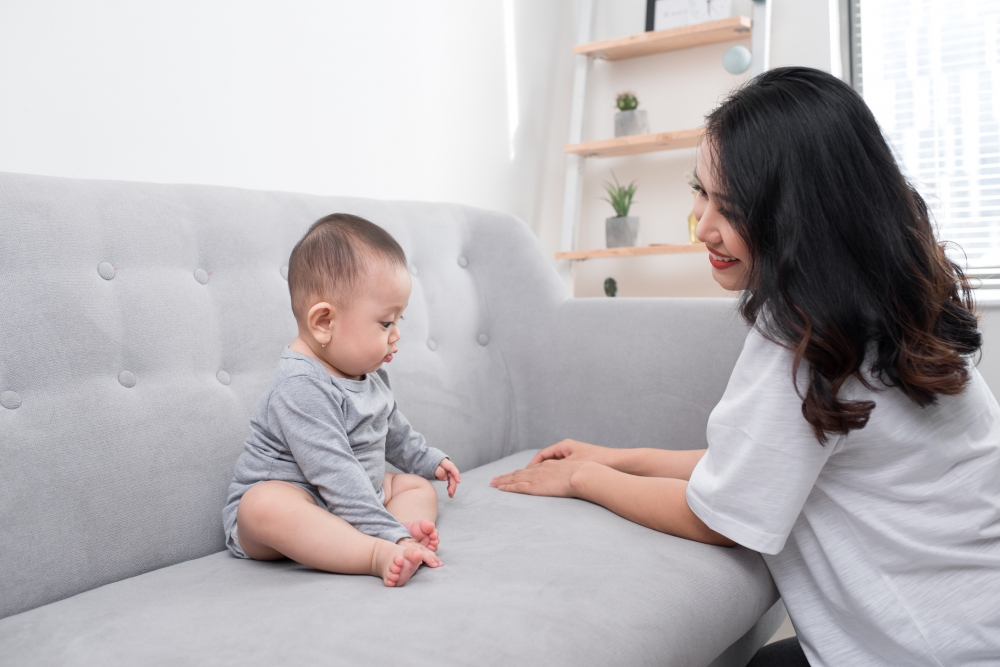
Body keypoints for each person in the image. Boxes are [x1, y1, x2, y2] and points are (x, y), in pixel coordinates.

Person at [491, 67, 1000, 666]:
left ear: (801, 217)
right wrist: (616, 455)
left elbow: (724, 519)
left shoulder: (805, 338)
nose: (703, 227)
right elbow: (762, 466)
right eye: (700, 192)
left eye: (728, 208)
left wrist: (583, 481)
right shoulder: (899, 299)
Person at [222, 213, 461, 587]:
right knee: (263, 505)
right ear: (324, 323)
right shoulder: (300, 385)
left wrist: (429, 460)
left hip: (353, 496)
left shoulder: (369, 374)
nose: (397, 335)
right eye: (386, 323)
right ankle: (376, 552)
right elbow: (332, 471)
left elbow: (394, 432)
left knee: (414, 485)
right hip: (301, 499)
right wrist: (386, 533)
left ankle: (398, 535)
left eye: (400, 320)